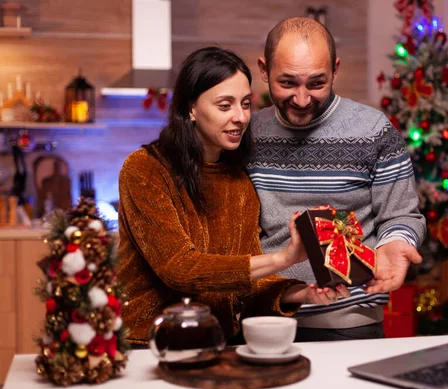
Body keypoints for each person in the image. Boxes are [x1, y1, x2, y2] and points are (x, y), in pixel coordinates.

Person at [117, 47, 349, 347]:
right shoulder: (145, 169)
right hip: (148, 344)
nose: (240, 117)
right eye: (225, 105)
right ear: (191, 108)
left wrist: (303, 293)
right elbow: (181, 270)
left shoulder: (238, 182)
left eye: (245, 104)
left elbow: (245, 283)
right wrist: (283, 258)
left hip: (217, 344)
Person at [246, 18, 426, 341]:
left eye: (317, 83)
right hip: (265, 322)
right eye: (287, 83)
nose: (302, 99)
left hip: (351, 325)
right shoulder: (246, 136)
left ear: (336, 70)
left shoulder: (374, 131)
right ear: (263, 70)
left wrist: (396, 241)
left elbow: (401, 214)